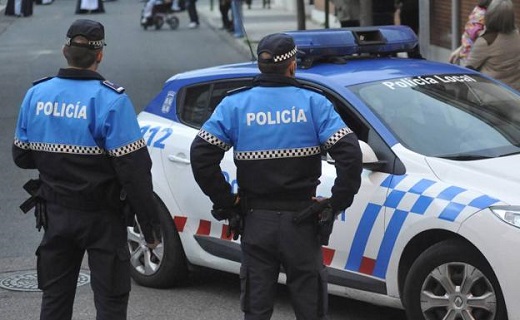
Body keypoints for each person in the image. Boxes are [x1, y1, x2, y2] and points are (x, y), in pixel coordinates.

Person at [190, 33, 363, 320]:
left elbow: (201, 155)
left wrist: (226, 202)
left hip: (256, 220)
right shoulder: (313, 103)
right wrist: (336, 203)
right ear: (292, 65)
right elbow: (351, 154)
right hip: (303, 222)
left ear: (260, 65)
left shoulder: (235, 105)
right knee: (311, 307)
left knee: (257, 308)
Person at [12, 19, 161, 320]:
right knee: (111, 302)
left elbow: (22, 156)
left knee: (54, 300)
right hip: (103, 218)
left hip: (56, 213)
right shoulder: (111, 100)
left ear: (65, 51)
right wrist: (150, 227)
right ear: (100, 55)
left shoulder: (36, 95)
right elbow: (134, 171)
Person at [464, 0, 520, 91]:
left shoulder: (486, 40)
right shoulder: (516, 35)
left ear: (490, 15)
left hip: (491, 94)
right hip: (514, 94)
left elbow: (468, 69)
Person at [449, 0, 491, 65]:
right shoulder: (484, 13)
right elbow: (474, 32)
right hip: (472, 51)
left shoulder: (477, 9)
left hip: (467, 47)